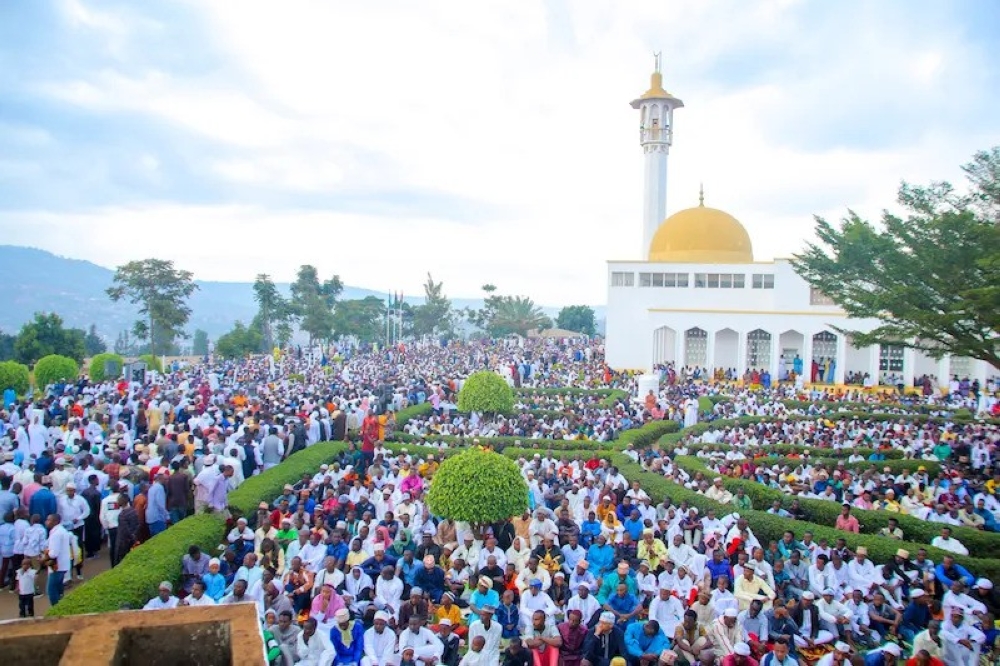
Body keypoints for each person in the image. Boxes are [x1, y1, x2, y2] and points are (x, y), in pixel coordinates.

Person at [43, 512, 72, 606]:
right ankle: (62, 605)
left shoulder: (56, 534)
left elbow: (53, 553)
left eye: (48, 520)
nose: (46, 522)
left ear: (55, 521)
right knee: (59, 588)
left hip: (57, 566)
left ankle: (56, 609)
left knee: (51, 590)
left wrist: (45, 556)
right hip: (63, 565)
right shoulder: (61, 531)